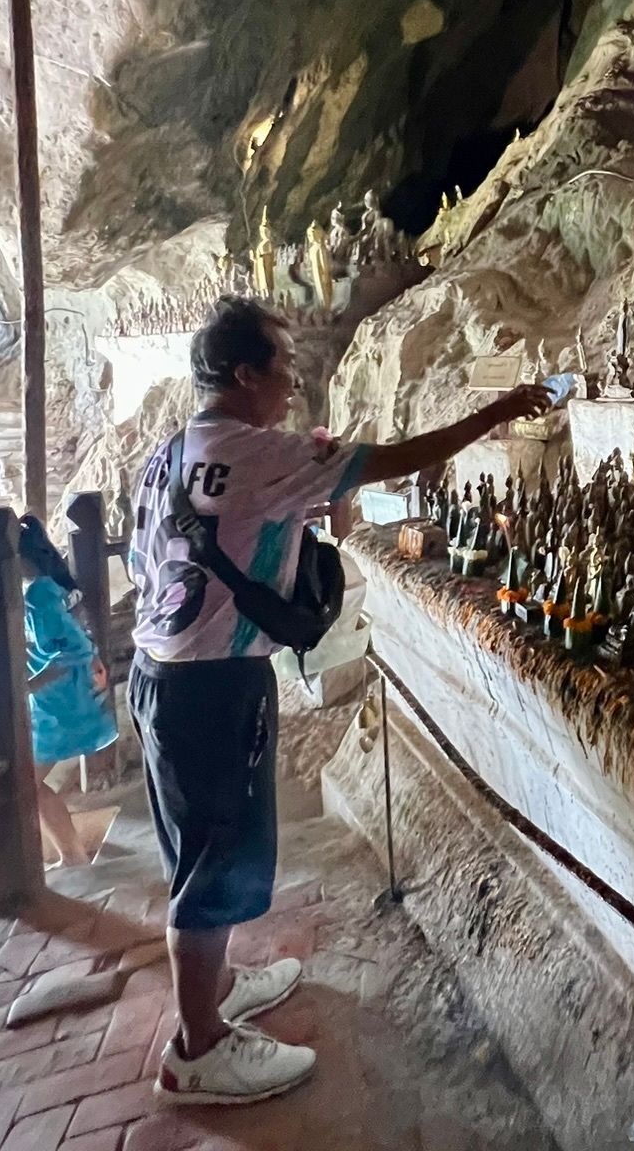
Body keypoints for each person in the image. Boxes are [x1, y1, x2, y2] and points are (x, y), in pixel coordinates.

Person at [127, 296, 550, 1105]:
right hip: (213, 683)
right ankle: (197, 1049)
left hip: (166, 674)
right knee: (216, 859)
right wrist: (497, 410)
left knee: (198, 846)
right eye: (281, 370)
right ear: (244, 374)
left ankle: (210, 991)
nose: (291, 385)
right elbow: (398, 457)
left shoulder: (173, 450)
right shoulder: (254, 453)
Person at [17, 515, 120, 867]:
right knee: (27, 783)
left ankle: (69, 854)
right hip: (60, 699)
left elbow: (70, 651)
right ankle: (71, 853)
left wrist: (25, 686)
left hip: (58, 703)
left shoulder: (38, 596)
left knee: (23, 784)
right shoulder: (51, 587)